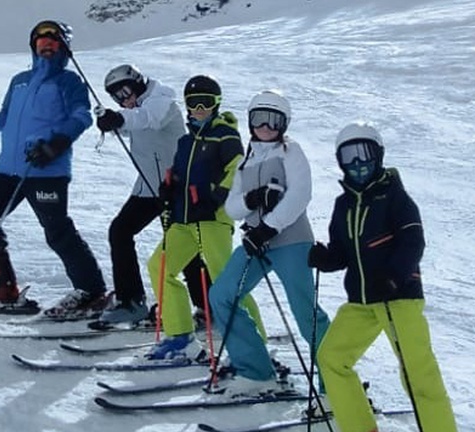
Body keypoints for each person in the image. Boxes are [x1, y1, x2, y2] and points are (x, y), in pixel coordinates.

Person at [308, 122, 475, 432]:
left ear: (378, 155)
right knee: (332, 357)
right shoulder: (343, 204)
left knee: (418, 373)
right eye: (348, 156)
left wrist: (394, 276)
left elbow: (413, 241)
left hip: (399, 298)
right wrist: (325, 258)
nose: (357, 164)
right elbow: (343, 251)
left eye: (364, 154)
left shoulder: (395, 197)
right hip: (363, 302)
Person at [0, 20, 107, 320]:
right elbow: (5, 119)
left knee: (57, 232)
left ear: (63, 47)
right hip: (9, 169)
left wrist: (56, 145)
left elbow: (82, 116)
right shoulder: (19, 80)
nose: (46, 45)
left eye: (53, 41)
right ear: (33, 45)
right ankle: (3, 285)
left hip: (47, 169)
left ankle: (92, 291)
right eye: (41, 41)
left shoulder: (69, 82)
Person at [209, 90, 330, 397]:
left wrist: (268, 227)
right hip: (255, 244)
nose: (265, 127)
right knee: (222, 295)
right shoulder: (245, 160)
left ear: (284, 125)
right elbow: (232, 208)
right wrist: (252, 200)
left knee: (305, 313)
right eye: (258, 119)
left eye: (273, 120)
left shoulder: (292, 152)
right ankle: (256, 371)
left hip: (291, 242)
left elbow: (300, 195)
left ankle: (335, 383)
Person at [144, 74, 264, 360]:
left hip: (212, 220)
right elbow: (180, 175)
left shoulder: (226, 135)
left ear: (217, 104)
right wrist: (169, 189)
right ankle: (180, 336)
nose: (199, 109)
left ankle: (255, 342)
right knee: (160, 267)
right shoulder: (186, 141)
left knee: (226, 281)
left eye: (206, 103)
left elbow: (237, 169)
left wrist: (215, 199)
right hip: (184, 221)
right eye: (193, 103)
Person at [94, 64, 211, 327]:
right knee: (120, 231)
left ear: (138, 83)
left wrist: (120, 117)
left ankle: (208, 306)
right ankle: (131, 301)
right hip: (149, 187)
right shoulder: (135, 109)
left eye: (125, 92)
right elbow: (128, 125)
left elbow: (148, 119)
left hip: (176, 187)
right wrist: (109, 120)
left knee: (183, 249)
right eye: (116, 97)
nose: (124, 99)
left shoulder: (162, 101)